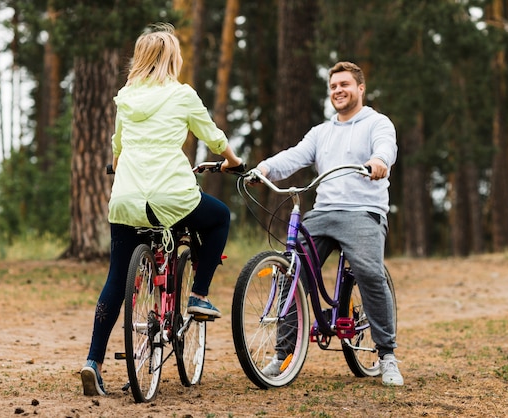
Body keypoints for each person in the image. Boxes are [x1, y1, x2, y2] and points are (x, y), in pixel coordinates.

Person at [80, 22, 244, 396]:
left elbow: (117, 147)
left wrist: (120, 165)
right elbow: (213, 137)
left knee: (115, 280)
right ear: (171, 58)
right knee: (219, 217)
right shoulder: (181, 95)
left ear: (140, 59)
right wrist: (233, 161)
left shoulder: (126, 97)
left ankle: (93, 361)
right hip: (172, 195)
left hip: (126, 198)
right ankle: (199, 294)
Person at [255, 61, 403, 386]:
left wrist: (379, 162)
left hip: (363, 212)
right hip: (323, 214)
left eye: (345, 85)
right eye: (333, 86)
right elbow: (294, 156)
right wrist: (263, 169)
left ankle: (387, 355)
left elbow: (385, 149)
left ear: (360, 89)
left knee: (369, 272)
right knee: (290, 273)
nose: (338, 91)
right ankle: (283, 355)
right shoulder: (321, 132)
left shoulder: (377, 123)